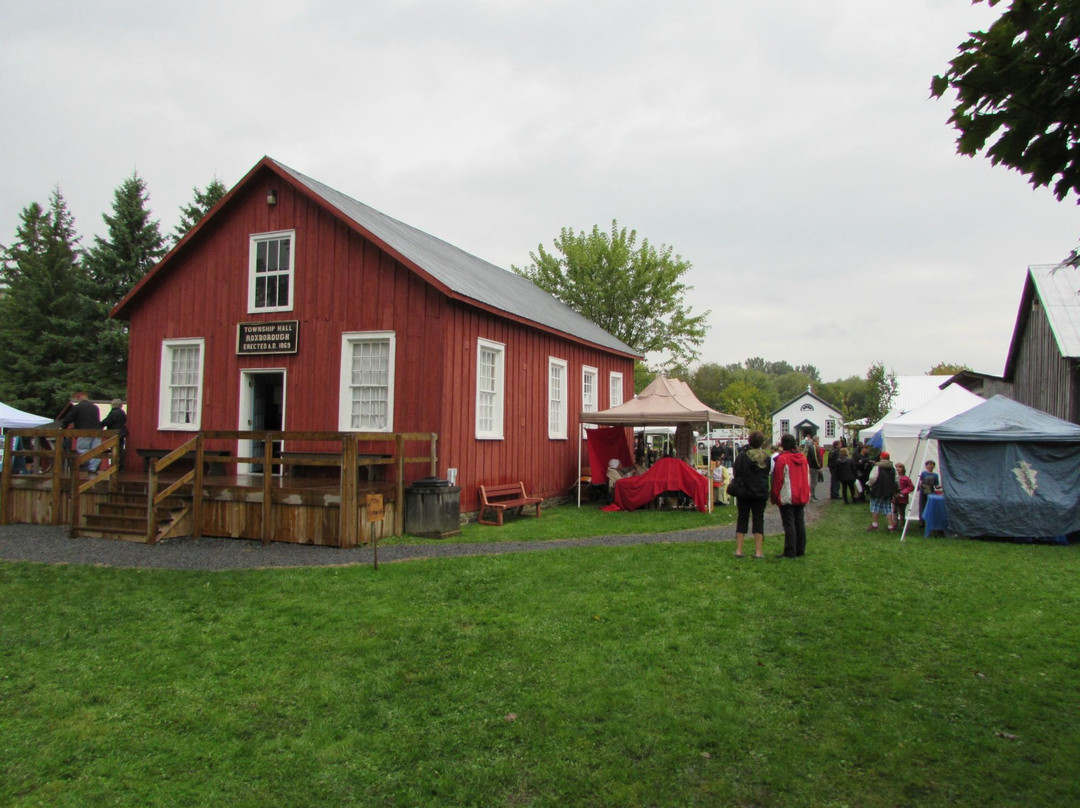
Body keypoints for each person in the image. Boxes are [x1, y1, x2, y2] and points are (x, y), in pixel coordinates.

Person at [731, 430, 771, 559]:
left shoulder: (742, 456)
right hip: (760, 492)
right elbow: (767, 472)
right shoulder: (766, 457)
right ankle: (758, 551)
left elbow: (736, 471)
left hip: (744, 492)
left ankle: (739, 550)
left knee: (742, 518)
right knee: (759, 519)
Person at [771, 433, 811, 558]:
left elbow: (778, 479)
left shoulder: (783, 459)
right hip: (800, 493)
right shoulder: (802, 458)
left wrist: (774, 495)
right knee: (799, 522)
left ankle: (790, 550)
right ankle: (800, 549)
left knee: (789, 523)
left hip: (788, 494)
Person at [60, 391, 102, 473]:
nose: (77, 400)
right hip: (97, 432)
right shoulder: (95, 407)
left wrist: (63, 427)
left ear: (80, 398)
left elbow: (69, 418)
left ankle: (85, 467)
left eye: (78, 398)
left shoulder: (78, 407)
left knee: (82, 449)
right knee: (96, 450)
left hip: (84, 431)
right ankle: (93, 468)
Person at [865, 451, 899, 531]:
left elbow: (872, 478)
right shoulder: (893, 468)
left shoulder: (877, 467)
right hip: (888, 490)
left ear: (881, 457)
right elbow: (896, 479)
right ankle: (891, 526)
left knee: (875, 507)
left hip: (878, 489)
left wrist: (869, 484)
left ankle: (875, 524)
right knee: (887, 508)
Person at [101, 398, 127, 470]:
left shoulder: (113, 413)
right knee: (120, 450)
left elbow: (107, 421)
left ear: (113, 405)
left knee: (114, 450)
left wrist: (100, 424)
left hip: (114, 434)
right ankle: (120, 466)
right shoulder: (122, 413)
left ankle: (114, 466)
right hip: (121, 434)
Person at [892, 463, 915, 530]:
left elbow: (911, 487)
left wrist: (903, 492)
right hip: (894, 497)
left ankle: (902, 525)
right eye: (896, 467)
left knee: (902, 512)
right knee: (894, 511)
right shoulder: (893, 478)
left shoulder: (906, 478)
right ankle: (894, 524)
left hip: (902, 498)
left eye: (900, 467)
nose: (898, 469)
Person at [918, 460, 941, 524]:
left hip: (931, 491)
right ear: (926, 466)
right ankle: (921, 520)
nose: (931, 466)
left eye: (932, 465)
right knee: (922, 505)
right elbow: (919, 482)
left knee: (930, 505)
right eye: (929, 464)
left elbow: (936, 485)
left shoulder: (935, 475)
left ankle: (929, 520)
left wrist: (940, 487)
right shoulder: (923, 473)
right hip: (923, 490)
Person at [803, 434, 823, 500]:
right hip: (813, 467)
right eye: (818, 440)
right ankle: (812, 495)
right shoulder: (813, 447)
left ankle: (812, 494)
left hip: (813, 466)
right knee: (814, 482)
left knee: (814, 481)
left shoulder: (813, 447)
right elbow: (815, 458)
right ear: (816, 440)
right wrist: (818, 466)